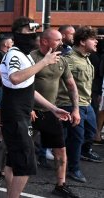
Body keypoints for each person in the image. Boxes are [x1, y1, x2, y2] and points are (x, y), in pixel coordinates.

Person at [0, 17, 70, 198]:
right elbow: (15, 78)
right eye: (28, 31)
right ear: (17, 33)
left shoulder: (25, 55)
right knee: (26, 164)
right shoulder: (15, 54)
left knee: (14, 162)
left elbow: (29, 88)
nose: (32, 34)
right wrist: (44, 62)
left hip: (20, 113)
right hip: (15, 115)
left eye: (34, 30)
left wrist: (52, 108)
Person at [30, 28, 80, 197]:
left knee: (60, 150)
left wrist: (75, 109)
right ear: (45, 41)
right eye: (58, 40)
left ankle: (60, 185)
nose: (62, 42)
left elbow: (72, 86)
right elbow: (22, 85)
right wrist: (28, 107)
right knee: (15, 147)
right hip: (30, 113)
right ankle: (2, 174)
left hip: (51, 112)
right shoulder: (31, 58)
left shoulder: (62, 61)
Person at [57, 26, 103, 184]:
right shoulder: (69, 58)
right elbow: (61, 81)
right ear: (83, 41)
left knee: (91, 134)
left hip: (86, 103)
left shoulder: (86, 57)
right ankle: (73, 169)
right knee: (77, 138)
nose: (96, 41)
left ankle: (70, 153)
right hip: (71, 103)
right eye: (93, 39)